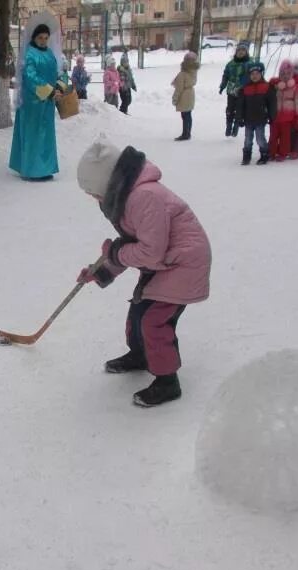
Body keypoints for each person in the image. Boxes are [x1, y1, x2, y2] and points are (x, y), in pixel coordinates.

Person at [74, 141, 211, 407]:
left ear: (109, 182)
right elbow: (132, 244)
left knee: (154, 320)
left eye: (94, 192)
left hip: (183, 264)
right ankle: (141, 354)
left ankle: (167, 381)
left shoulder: (144, 196)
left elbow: (149, 252)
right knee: (139, 312)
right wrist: (102, 271)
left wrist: (115, 253)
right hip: (164, 262)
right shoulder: (128, 196)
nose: (94, 198)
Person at [9, 16, 64, 181]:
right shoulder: (29, 54)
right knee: (33, 134)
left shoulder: (49, 53)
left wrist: (61, 86)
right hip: (32, 102)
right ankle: (31, 169)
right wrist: (49, 91)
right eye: (40, 38)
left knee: (46, 134)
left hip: (47, 101)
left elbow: (56, 72)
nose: (43, 41)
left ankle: (45, 168)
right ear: (33, 37)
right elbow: (30, 76)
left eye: (46, 38)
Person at [237, 62, 276, 165]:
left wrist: (272, 116)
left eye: (257, 74)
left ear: (261, 74)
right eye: (252, 74)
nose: (254, 76)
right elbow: (240, 105)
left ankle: (264, 154)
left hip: (261, 119)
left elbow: (272, 104)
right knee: (248, 140)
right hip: (248, 119)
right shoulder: (245, 89)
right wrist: (239, 118)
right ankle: (246, 156)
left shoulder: (267, 87)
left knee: (260, 138)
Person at [271, 59, 298, 161]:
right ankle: (271, 152)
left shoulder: (296, 87)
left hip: (288, 116)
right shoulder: (276, 86)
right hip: (276, 115)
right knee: (273, 136)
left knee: (285, 137)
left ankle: (283, 153)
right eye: (282, 73)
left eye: (288, 74)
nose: (285, 76)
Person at [220, 41, 252, 137]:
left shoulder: (249, 64)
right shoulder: (231, 63)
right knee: (230, 109)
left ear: (246, 52)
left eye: (243, 50)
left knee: (239, 110)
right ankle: (228, 126)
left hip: (243, 91)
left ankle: (236, 127)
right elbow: (226, 75)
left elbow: (253, 77)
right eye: (239, 50)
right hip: (231, 90)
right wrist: (222, 85)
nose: (241, 52)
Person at [172, 52, 199, 141]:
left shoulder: (183, 74)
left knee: (185, 116)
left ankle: (185, 134)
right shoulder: (193, 72)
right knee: (188, 115)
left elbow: (179, 89)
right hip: (190, 94)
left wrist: (175, 99)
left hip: (184, 95)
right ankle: (187, 133)